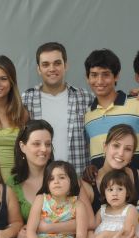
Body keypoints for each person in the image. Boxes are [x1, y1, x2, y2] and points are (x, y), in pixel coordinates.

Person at [83, 49, 139, 181]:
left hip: (137, 187)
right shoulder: (88, 115)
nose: (100, 81)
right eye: (94, 75)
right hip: (102, 189)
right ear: (87, 78)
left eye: (106, 74)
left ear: (116, 76)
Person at [22, 42, 94, 171]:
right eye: (45, 64)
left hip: (77, 177)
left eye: (57, 63)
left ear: (65, 65)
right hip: (40, 177)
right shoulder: (26, 100)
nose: (52, 69)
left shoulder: (85, 98)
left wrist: (135, 94)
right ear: (38, 69)